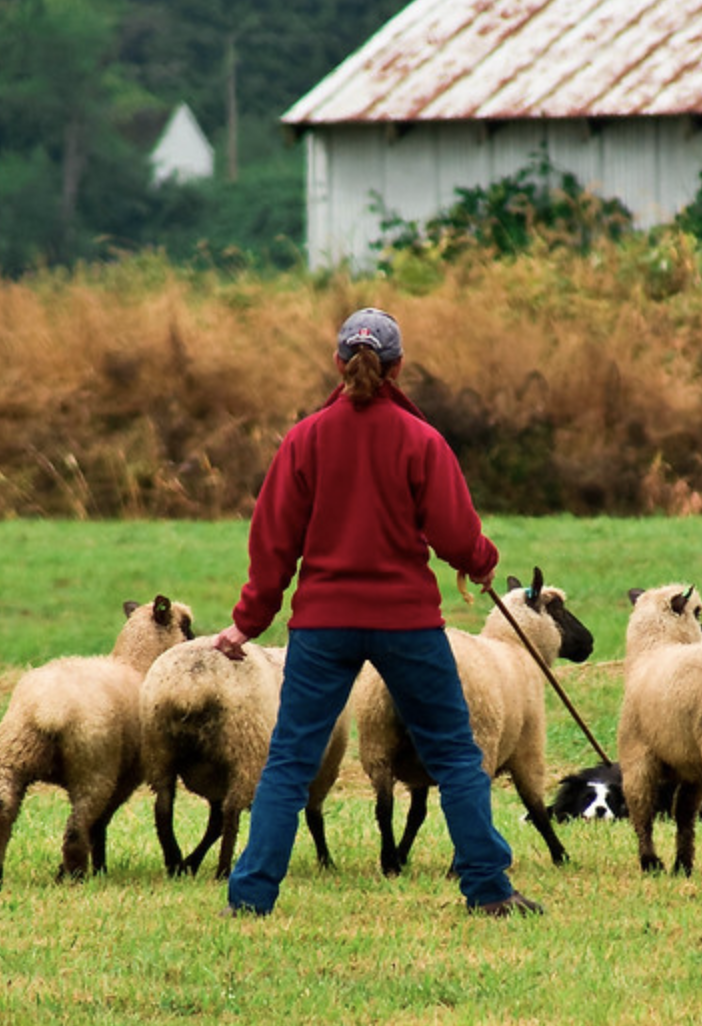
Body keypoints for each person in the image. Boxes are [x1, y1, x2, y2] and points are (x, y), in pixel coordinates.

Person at [213, 307, 542, 918]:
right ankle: (489, 890)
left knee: (289, 760)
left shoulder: (305, 440)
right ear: (399, 367)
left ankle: (252, 897)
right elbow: (455, 533)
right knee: (456, 755)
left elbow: (273, 541)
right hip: (406, 624)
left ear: (338, 363)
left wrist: (247, 623)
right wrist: (482, 562)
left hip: (322, 626)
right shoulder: (422, 440)